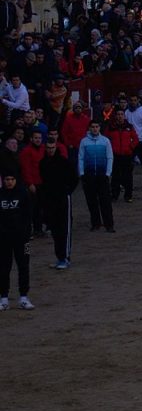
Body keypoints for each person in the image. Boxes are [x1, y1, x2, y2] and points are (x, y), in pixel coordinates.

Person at [39, 139, 77, 270]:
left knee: (64, 228)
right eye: (48, 148)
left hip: (63, 198)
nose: (50, 150)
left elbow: (74, 178)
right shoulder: (43, 163)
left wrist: (67, 191)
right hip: (50, 199)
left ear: (56, 147)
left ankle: (65, 257)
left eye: (52, 147)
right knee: (55, 229)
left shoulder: (63, 162)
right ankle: (60, 257)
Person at [0, 172, 32, 310]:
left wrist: (27, 233)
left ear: (16, 180)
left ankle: (24, 297)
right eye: (7, 179)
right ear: (3, 180)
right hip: (3, 239)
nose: (9, 182)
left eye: (12, 179)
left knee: (24, 266)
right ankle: (4, 298)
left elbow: (29, 214)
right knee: (3, 268)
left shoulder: (23, 194)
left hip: (23, 239)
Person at [78, 120, 114, 232]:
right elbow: (81, 158)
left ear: (99, 128)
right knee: (92, 201)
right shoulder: (84, 142)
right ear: (89, 128)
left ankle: (109, 224)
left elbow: (110, 157)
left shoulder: (105, 141)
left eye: (96, 127)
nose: (94, 129)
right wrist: (82, 173)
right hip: (89, 175)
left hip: (102, 175)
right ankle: (95, 223)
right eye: (92, 127)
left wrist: (108, 173)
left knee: (105, 201)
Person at [107, 108, 139, 202]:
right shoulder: (111, 127)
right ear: (116, 116)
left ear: (124, 116)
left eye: (122, 114)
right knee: (115, 177)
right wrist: (110, 149)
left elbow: (136, 139)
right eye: (118, 114)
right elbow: (106, 139)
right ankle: (114, 195)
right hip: (115, 155)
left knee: (128, 176)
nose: (120, 116)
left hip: (127, 155)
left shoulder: (129, 126)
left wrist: (131, 147)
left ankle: (128, 196)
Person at [125, 93, 142, 192]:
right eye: (131, 100)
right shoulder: (127, 112)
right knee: (128, 165)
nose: (133, 102)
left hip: (141, 141)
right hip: (130, 142)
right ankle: (128, 184)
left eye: (134, 100)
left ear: (138, 101)